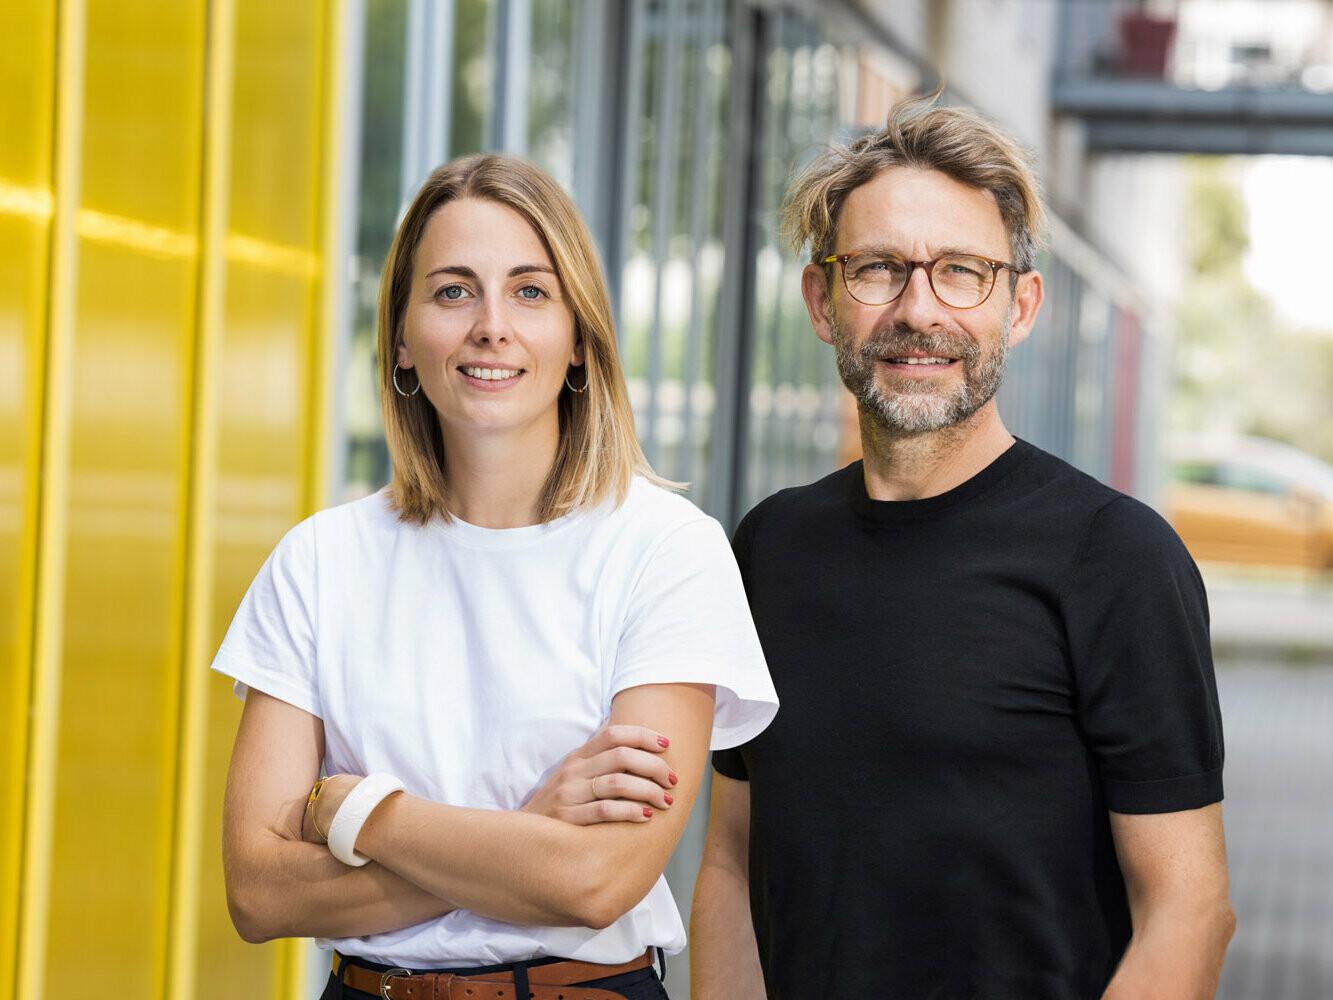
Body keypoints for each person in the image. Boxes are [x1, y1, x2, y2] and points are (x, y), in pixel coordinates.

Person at [691, 96, 1235, 1000]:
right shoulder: (769, 546)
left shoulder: (1115, 558)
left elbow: (1189, 909)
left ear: (1019, 306)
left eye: (960, 273)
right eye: (876, 269)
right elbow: (729, 861)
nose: (918, 310)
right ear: (821, 300)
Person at [214, 153, 777, 1000]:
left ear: (579, 337)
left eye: (529, 291)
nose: (490, 325)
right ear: (402, 338)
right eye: (451, 291)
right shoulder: (321, 560)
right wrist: (525, 837)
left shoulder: (667, 552)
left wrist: (357, 813)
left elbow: (596, 882)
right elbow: (257, 890)